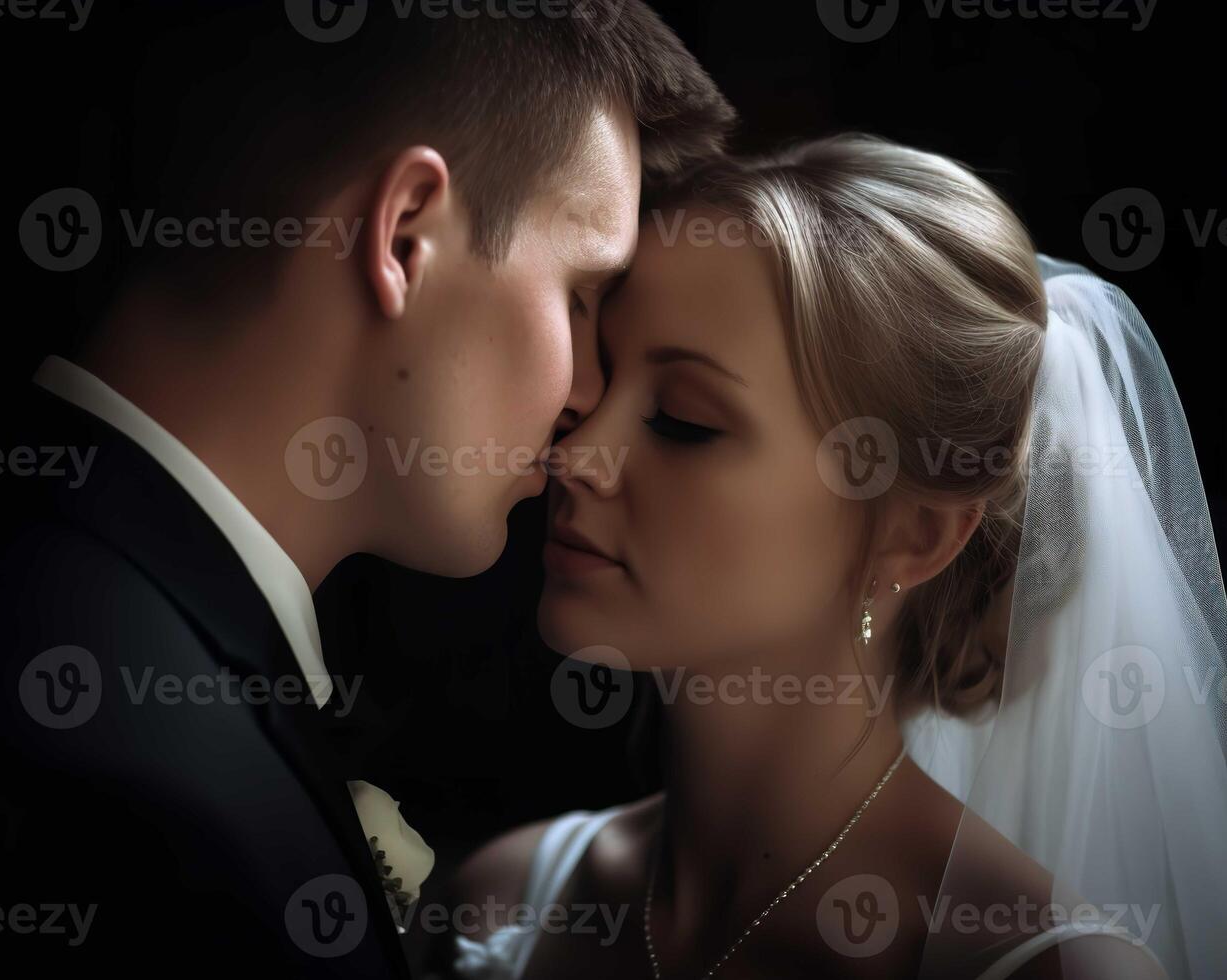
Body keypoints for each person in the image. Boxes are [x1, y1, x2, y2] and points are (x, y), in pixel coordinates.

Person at [0, 3, 735, 976]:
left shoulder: (57, 595)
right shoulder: (125, 782)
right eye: (577, 293)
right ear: (403, 236)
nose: (586, 394)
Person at [445, 135, 1227, 978]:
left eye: (681, 418)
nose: (575, 454)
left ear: (912, 535)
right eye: (597, 377)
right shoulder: (501, 899)